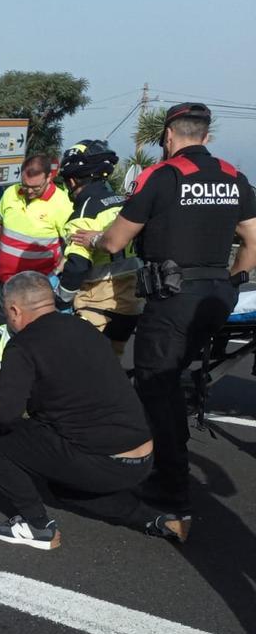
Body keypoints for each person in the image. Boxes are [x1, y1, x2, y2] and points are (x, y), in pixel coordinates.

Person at [72, 102, 256, 516]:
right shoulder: (234, 177)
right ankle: (170, 452)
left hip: (173, 297)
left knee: (157, 386)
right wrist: (231, 283)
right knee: (174, 378)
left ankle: (169, 486)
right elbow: (253, 240)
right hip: (216, 297)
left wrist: (93, 239)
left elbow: (117, 240)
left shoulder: (161, 176)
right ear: (206, 136)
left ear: (168, 137)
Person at [0, 272, 188, 550]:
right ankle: (156, 519)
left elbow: (4, 415)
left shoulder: (23, 345)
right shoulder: (85, 328)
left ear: (15, 310)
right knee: (64, 487)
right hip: (143, 454)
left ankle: (36, 526)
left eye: (8, 314)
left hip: (102, 461)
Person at [54, 140, 142, 356]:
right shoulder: (121, 203)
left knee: (85, 369)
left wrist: (60, 299)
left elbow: (77, 265)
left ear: (72, 180)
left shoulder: (84, 214)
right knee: (112, 362)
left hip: (97, 307)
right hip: (131, 304)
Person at [0, 155, 73, 369]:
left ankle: (21, 371)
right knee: (4, 327)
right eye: (24, 185)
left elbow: (70, 244)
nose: (28, 191)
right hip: (5, 280)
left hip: (36, 287)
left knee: (32, 334)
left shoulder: (61, 203)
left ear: (49, 178)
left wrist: (57, 273)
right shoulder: (10, 193)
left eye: (34, 187)